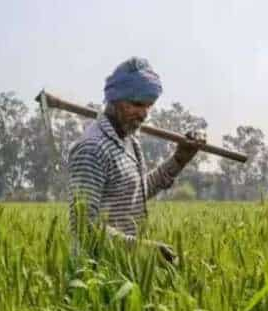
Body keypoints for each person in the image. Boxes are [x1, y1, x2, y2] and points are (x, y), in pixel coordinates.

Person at [67, 57, 205, 262]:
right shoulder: (92, 149)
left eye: (148, 106)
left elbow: (136, 192)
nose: (144, 114)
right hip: (95, 273)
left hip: (124, 265)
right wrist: (141, 249)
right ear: (114, 100)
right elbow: (84, 225)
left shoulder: (129, 140)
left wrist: (179, 160)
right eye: (137, 104)